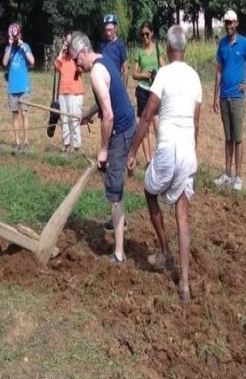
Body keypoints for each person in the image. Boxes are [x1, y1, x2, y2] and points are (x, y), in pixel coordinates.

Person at [127, 25, 201, 303]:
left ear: (168, 49)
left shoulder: (165, 74)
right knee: (182, 216)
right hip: (188, 150)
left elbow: (147, 115)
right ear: (185, 48)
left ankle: (165, 251)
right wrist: (194, 150)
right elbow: (196, 122)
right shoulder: (194, 77)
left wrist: (133, 150)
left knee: (149, 191)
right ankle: (184, 282)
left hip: (169, 147)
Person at [71, 31, 136, 264]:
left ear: (84, 52)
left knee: (115, 191)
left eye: (76, 59)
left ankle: (119, 253)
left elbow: (108, 115)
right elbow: (104, 101)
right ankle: (118, 219)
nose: (77, 65)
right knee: (112, 179)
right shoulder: (104, 60)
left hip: (119, 131)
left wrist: (103, 149)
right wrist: (88, 114)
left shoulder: (96, 73)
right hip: (128, 124)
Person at [212, 9, 246, 191]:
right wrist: (215, 96)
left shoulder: (244, 44)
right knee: (228, 138)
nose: (229, 26)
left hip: (238, 98)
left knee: (238, 138)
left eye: (231, 22)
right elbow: (218, 70)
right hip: (224, 97)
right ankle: (227, 174)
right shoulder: (222, 44)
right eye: (226, 23)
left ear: (237, 23)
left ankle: (238, 176)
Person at [132, 21, 165, 165]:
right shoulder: (139, 52)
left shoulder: (158, 49)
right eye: (142, 35)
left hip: (155, 91)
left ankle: (160, 156)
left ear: (152, 34)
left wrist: (157, 75)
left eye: (147, 34)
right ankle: (148, 160)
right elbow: (134, 73)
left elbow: (165, 69)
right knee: (144, 127)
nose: (145, 37)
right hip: (142, 91)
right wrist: (145, 74)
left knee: (157, 125)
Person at [2, 22, 35, 151]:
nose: (15, 38)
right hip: (12, 87)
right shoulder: (8, 48)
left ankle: (26, 142)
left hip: (24, 86)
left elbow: (32, 61)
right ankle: (17, 142)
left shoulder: (25, 46)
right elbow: (5, 62)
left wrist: (23, 47)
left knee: (24, 113)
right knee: (15, 115)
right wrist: (10, 46)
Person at [54, 31, 84, 153]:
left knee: (74, 120)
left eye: (70, 41)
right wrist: (62, 51)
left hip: (75, 92)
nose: (68, 43)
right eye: (67, 41)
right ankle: (66, 146)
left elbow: (80, 69)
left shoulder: (77, 56)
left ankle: (76, 148)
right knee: (64, 120)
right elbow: (56, 67)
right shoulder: (64, 56)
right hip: (63, 91)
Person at [99, 13, 129, 86]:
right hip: (104, 83)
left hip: (116, 82)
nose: (108, 33)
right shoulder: (102, 45)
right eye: (107, 30)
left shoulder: (120, 45)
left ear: (115, 28)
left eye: (110, 30)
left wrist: (124, 87)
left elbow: (125, 68)